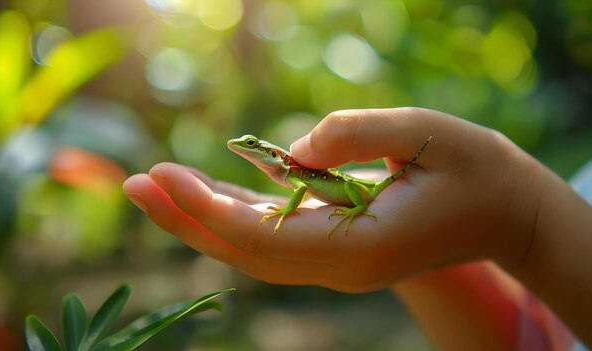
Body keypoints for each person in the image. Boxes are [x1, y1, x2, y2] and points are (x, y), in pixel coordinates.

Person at [123, 108, 592, 350]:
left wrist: (525, 222)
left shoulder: (296, 175)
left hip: (356, 194)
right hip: (356, 194)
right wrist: (426, 259)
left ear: (272, 154)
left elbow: (303, 192)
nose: (243, 148)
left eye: (252, 146)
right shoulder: (290, 173)